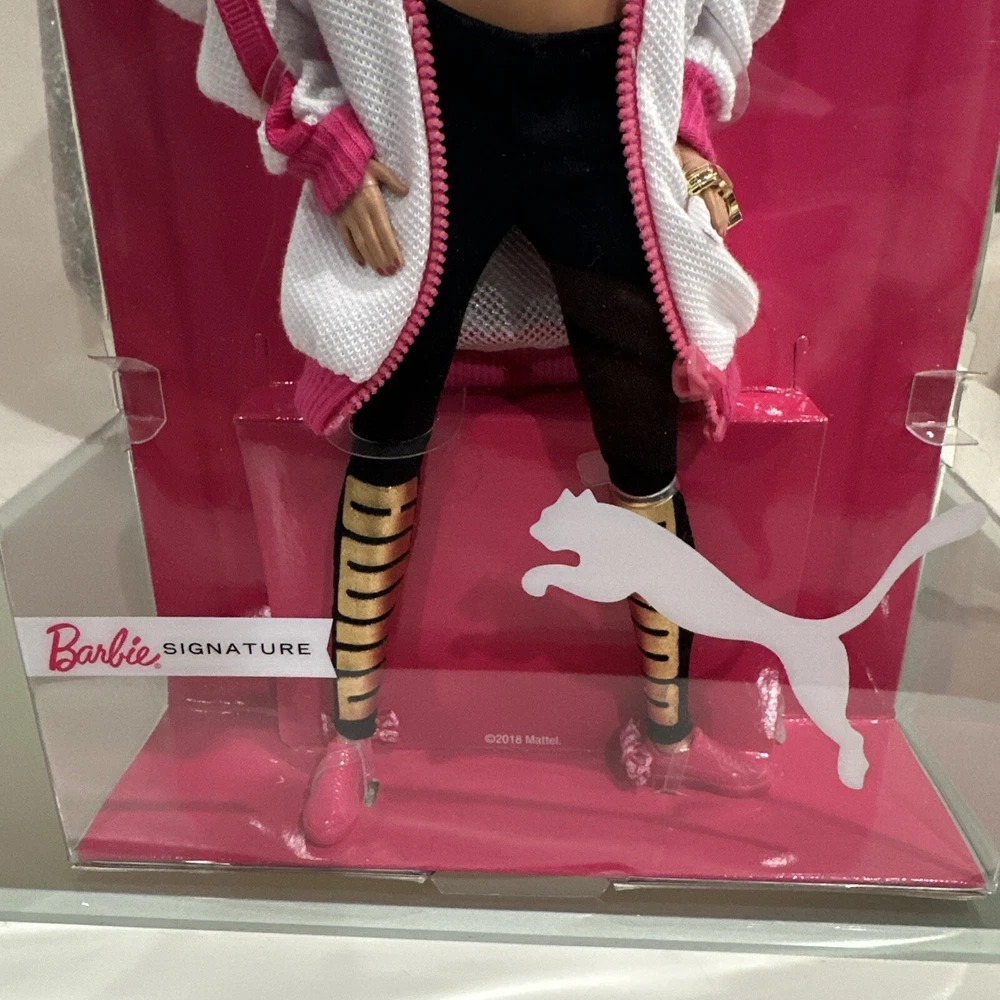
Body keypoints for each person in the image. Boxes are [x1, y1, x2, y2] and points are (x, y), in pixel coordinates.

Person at [158, 0, 784, 845]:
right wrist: (319, 129)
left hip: (607, 109)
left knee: (646, 451)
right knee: (386, 437)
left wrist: (686, 108)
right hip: (429, 106)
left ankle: (670, 729)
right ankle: (349, 732)